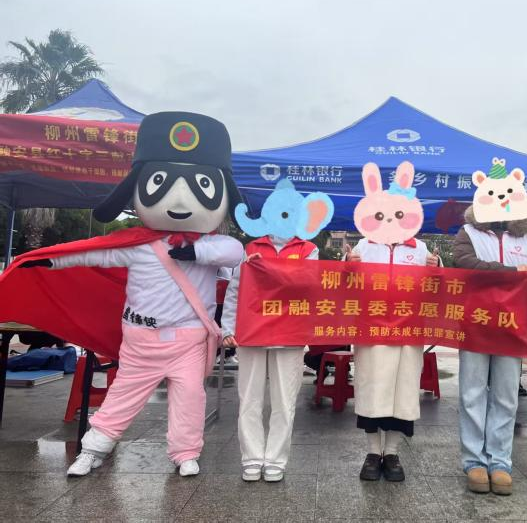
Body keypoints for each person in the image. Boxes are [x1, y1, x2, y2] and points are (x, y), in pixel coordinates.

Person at [24, 112, 245, 477]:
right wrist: (51, 260)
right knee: (123, 396)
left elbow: (235, 252)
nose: (180, 201)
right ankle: (93, 449)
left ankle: (185, 453)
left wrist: (196, 252)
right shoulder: (137, 246)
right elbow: (95, 253)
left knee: (190, 397)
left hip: (189, 340)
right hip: (142, 339)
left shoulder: (213, 248)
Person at [221, 179, 334, 483]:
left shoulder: (309, 249)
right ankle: (251, 458)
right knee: (249, 399)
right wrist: (227, 328)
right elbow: (235, 290)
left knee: (284, 401)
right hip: (252, 333)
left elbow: (309, 285)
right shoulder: (251, 248)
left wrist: (269, 270)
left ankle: (275, 459)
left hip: (290, 334)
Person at [453, 157, 527, 495]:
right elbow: (466, 265)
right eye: (493, 194)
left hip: (512, 326)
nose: (501, 200)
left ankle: (500, 461)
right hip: (475, 324)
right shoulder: (468, 233)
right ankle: (473, 461)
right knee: (472, 393)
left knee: (506, 396)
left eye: (508, 194)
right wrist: (509, 271)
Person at [346, 161, 439, 482]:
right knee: (372, 389)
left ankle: (394, 452)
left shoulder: (421, 249)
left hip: (407, 333)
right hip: (371, 331)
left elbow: (435, 291)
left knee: (403, 392)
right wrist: (347, 265)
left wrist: (436, 268)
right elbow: (345, 287)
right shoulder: (363, 246)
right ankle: (373, 452)